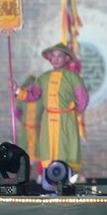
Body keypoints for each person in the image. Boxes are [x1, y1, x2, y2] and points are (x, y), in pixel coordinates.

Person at [15, 43, 89, 177]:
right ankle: (50, 184)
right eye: (53, 56)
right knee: (48, 150)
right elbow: (33, 96)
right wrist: (17, 90)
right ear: (49, 59)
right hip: (48, 120)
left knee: (66, 150)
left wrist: (73, 113)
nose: (56, 59)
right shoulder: (43, 78)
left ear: (66, 58)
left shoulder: (73, 77)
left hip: (66, 120)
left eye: (60, 56)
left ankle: (67, 184)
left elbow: (83, 99)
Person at [14, 74, 42, 180]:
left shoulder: (41, 98)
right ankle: (25, 177)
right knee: (25, 154)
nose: (31, 88)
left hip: (38, 130)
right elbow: (17, 112)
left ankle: (41, 176)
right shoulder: (23, 98)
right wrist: (25, 121)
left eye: (33, 86)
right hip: (26, 129)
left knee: (40, 153)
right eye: (29, 86)